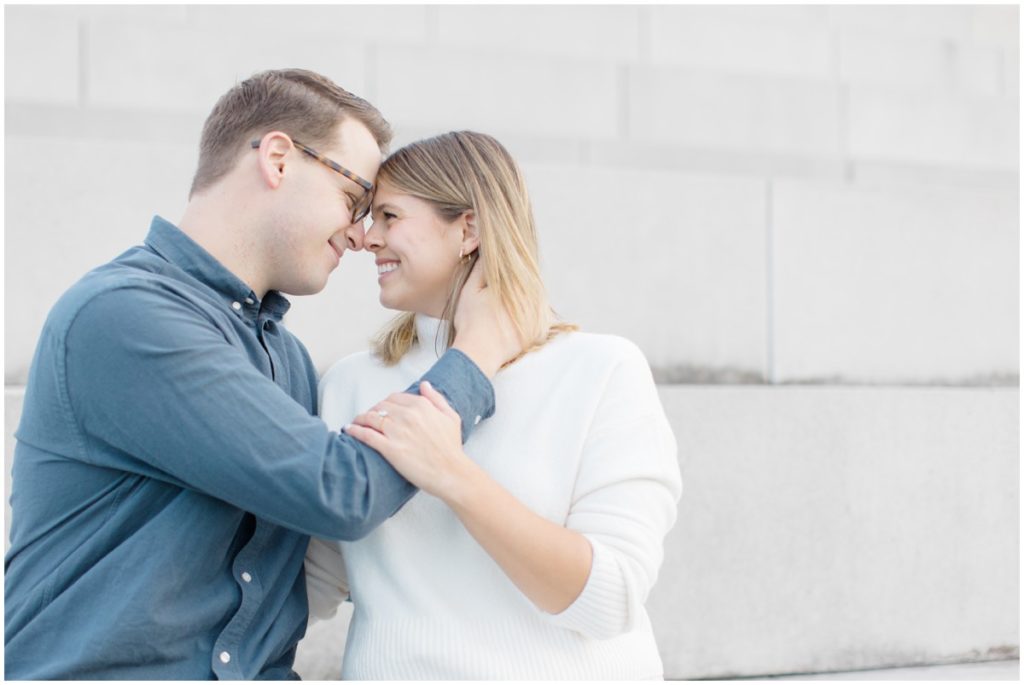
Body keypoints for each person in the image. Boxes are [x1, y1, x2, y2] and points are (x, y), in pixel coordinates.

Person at [4, 70, 521, 680]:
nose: (361, 236)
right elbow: (339, 492)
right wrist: (478, 352)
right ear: (278, 159)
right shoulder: (125, 316)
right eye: (355, 200)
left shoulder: (287, 359)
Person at [305, 131, 683, 680]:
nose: (366, 238)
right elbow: (317, 578)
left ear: (469, 228)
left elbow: (610, 600)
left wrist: (453, 475)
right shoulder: (350, 382)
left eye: (389, 216)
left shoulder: (602, 370)